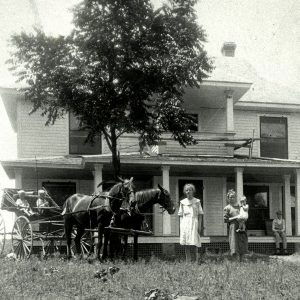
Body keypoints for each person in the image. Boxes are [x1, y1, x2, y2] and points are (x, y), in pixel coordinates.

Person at [178, 183, 203, 263]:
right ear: (185, 192)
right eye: (187, 190)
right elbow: (181, 215)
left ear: (193, 191)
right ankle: (188, 261)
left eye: (190, 190)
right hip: (185, 223)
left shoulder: (197, 202)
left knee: (194, 241)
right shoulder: (182, 202)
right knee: (186, 242)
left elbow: (200, 214)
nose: (188, 191)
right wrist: (181, 226)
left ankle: (196, 260)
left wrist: (199, 225)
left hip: (194, 222)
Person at [224, 189, 248, 261]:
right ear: (228, 198)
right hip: (233, 227)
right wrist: (235, 217)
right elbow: (226, 220)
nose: (232, 198)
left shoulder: (240, 206)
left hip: (241, 226)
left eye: (233, 197)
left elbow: (245, 215)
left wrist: (243, 219)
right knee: (234, 245)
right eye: (230, 197)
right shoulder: (227, 208)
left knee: (242, 243)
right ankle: (235, 263)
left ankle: (242, 262)